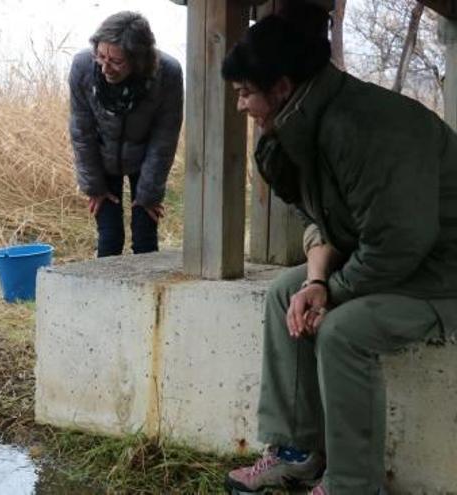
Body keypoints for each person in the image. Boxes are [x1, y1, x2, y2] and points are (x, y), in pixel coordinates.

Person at [220, 4, 457, 495]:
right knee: (285, 293)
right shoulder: (299, 128)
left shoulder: (367, 127)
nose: (241, 106)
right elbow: (319, 224)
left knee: (344, 330)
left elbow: (399, 244)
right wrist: (314, 282)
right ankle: (294, 451)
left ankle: (352, 485)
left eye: (245, 94)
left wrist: (335, 293)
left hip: (444, 270)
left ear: (282, 87)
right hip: (405, 262)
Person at [69, 11, 183, 257]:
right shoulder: (83, 67)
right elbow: (81, 130)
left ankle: (150, 293)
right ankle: (103, 294)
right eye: (101, 56)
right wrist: (94, 187)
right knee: (109, 237)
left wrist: (149, 194)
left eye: (117, 62)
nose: (106, 67)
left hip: (145, 158)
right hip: (103, 156)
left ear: (138, 60)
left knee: (145, 237)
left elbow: (165, 136)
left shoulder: (168, 73)